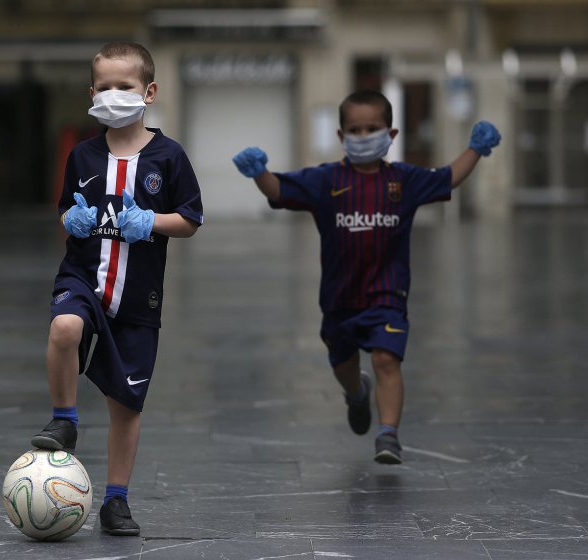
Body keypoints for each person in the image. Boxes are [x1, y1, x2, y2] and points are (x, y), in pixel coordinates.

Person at [232, 90, 500, 464]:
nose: (363, 135)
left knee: (386, 359)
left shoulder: (403, 181)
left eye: (372, 128)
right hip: (339, 301)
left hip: (387, 295)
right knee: (343, 365)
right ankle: (357, 394)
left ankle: (388, 434)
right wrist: (259, 173)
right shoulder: (325, 180)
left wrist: (475, 150)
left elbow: (446, 178)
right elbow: (280, 190)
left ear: (391, 134)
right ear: (342, 137)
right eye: (355, 130)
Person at [31, 41, 203, 536]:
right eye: (103, 87)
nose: (112, 95)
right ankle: (63, 418)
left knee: (126, 405)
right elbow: (65, 208)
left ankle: (116, 501)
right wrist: (72, 218)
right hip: (83, 276)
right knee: (64, 327)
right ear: (91, 93)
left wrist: (151, 220)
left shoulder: (169, 157)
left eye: (123, 87)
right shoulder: (83, 154)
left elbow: (190, 219)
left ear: (148, 91)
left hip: (138, 296)